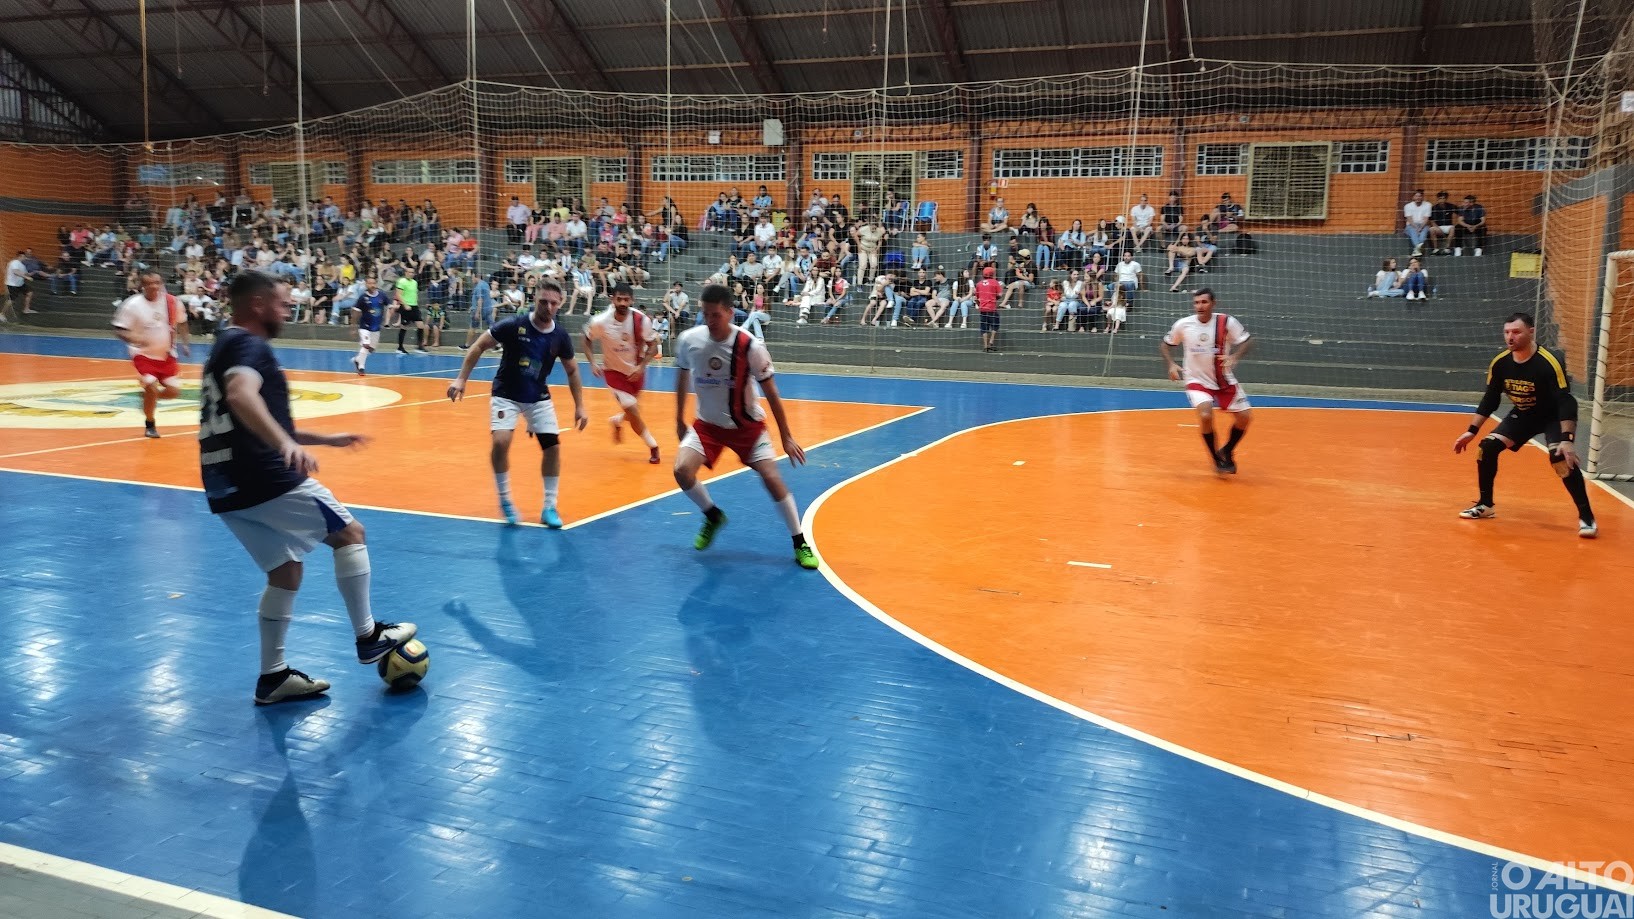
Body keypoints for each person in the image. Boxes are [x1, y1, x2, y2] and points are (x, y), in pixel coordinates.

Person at [199, 269, 416, 705]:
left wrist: (323, 439)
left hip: (224, 486)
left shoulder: (223, 345)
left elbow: (254, 419)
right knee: (350, 533)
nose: (287, 310)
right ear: (257, 304)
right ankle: (368, 635)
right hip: (262, 476)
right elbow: (241, 396)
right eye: (281, 303)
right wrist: (285, 445)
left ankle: (273, 677)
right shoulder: (249, 344)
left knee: (285, 571)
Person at [672, 284, 818, 570]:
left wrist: (787, 436)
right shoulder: (689, 340)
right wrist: (678, 419)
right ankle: (712, 515)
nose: (709, 321)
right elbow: (681, 377)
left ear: (730, 312)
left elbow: (772, 393)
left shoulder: (750, 346)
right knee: (681, 470)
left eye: (715, 315)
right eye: (705, 314)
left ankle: (799, 541)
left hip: (747, 426)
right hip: (708, 425)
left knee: (771, 477)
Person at [447, 280, 589, 528]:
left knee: (553, 448)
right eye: (543, 301)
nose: (548, 307)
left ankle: (549, 507)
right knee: (501, 442)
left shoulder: (560, 336)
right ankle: (505, 499)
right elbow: (479, 345)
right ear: (534, 299)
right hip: (506, 393)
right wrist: (461, 379)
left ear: (560, 303)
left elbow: (573, 371)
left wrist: (580, 406)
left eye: (553, 303)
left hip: (537, 396)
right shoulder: (514, 325)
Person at [1452, 312, 1596, 537]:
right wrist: (1471, 431)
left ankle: (1586, 516)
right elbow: (1491, 398)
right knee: (1487, 447)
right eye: (1507, 332)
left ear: (1531, 332)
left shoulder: (1548, 362)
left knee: (1559, 458)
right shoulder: (1500, 363)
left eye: (1516, 332)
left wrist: (1567, 440)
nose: (1510, 337)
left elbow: (1565, 401)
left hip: (1552, 417)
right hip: (1524, 415)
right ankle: (1486, 504)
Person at [1160, 288, 1254, 474]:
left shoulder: (1226, 322)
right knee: (1205, 416)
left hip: (1223, 379)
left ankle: (1227, 450)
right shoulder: (1184, 324)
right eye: (1196, 303)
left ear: (1213, 303)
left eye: (1204, 302)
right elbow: (1165, 345)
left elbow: (1247, 341)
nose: (1200, 306)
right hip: (1196, 379)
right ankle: (1217, 460)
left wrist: (1234, 356)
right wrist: (1171, 364)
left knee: (1245, 418)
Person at [582, 282, 661, 464]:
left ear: (632, 300)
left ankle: (617, 421)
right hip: (613, 372)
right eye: (619, 299)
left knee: (632, 411)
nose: (623, 303)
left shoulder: (641, 320)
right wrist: (592, 362)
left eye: (626, 299)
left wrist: (641, 367)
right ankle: (653, 447)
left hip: (635, 371)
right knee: (632, 410)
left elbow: (654, 346)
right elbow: (586, 339)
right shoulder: (600, 321)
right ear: (613, 299)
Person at [111, 269, 191, 438]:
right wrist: (133, 338)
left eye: (157, 283)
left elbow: (183, 322)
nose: (154, 286)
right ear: (142, 285)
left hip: (167, 354)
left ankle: (148, 398)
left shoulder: (172, 302)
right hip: (143, 355)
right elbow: (119, 329)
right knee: (151, 387)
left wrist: (185, 343)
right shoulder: (132, 304)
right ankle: (150, 424)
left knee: (173, 392)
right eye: (149, 283)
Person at [351, 275, 389, 376]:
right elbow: (355, 312)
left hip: (376, 327)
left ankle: (357, 359)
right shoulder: (363, 298)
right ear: (366, 284)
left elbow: (389, 306)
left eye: (373, 283)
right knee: (366, 345)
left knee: (371, 348)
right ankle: (361, 367)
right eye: (370, 283)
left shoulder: (382, 295)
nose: (372, 285)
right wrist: (353, 328)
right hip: (365, 326)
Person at [393, 268, 426, 354]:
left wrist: (416, 303)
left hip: (414, 306)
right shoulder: (401, 281)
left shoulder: (414, 282)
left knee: (421, 325)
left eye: (412, 272)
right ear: (405, 273)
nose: (411, 274)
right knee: (404, 326)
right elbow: (398, 294)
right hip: (405, 306)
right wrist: (405, 304)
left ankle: (419, 346)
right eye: (409, 272)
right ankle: (400, 347)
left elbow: (414, 294)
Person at [976, 265, 1002, 353]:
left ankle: (985, 346)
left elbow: (976, 297)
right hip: (991, 308)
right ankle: (991, 342)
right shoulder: (995, 282)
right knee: (995, 325)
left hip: (983, 309)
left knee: (984, 327)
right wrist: (994, 298)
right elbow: (1000, 295)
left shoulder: (979, 284)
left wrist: (979, 304)